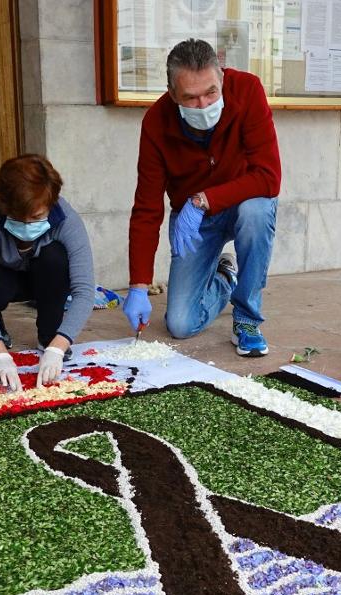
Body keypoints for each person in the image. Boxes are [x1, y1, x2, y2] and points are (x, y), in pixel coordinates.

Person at [123, 38, 281, 357]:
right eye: (190, 98)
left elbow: (269, 176)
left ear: (221, 78)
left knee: (257, 212)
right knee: (181, 324)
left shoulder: (248, 90)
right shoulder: (156, 122)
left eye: (211, 92)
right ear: (172, 95)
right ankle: (225, 276)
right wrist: (139, 285)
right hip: (194, 223)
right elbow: (146, 209)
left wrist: (203, 200)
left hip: (240, 204)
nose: (204, 105)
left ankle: (247, 320)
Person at [0, 154, 95, 391]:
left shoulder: (65, 217)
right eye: (17, 218)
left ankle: (49, 335)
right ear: (4, 207)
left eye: (36, 217)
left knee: (55, 257)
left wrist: (58, 346)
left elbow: (84, 290)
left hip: (45, 278)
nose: (27, 225)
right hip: (5, 279)